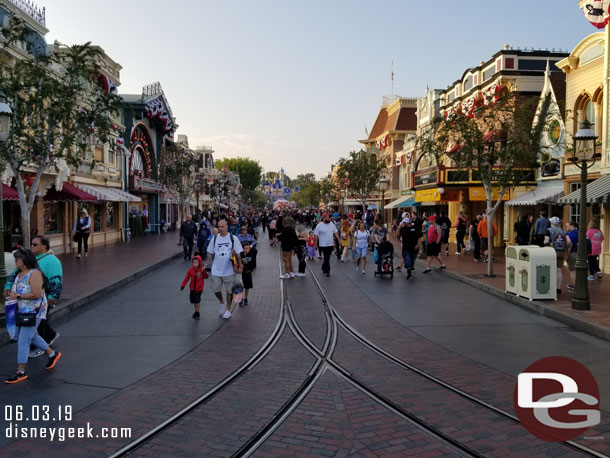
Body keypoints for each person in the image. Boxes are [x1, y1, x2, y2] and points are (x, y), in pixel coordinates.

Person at [5, 249, 61, 384]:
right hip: (23, 310)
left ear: (24, 261)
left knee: (24, 340)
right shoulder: (19, 274)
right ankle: (52, 354)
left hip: (35, 311)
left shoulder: (34, 274)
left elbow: (36, 294)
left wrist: (18, 296)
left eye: (17, 259)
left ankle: (21, 372)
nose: (15, 262)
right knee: (33, 336)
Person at [205, 220, 243, 319]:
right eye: (219, 227)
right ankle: (222, 302)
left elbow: (238, 254)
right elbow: (210, 253)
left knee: (229, 291)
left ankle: (228, 310)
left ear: (227, 227)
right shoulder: (215, 238)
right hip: (216, 269)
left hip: (229, 270)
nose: (220, 228)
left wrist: (240, 265)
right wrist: (205, 264)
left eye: (222, 226)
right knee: (215, 289)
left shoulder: (233, 238)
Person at [180, 255, 208, 320]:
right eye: (194, 262)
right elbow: (186, 278)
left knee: (197, 300)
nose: (195, 264)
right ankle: (196, 311)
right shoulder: (190, 270)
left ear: (199, 263)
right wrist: (183, 285)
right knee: (194, 301)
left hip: (199, 289)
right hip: (192, 289)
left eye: (196, 262)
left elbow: (206, 277)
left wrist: (204, 272)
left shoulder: (201, 270)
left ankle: (197, 313)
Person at [545, 217, 567, 295]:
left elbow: (546, 241)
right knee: (559, 270)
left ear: (553, 223)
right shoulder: (564, 231)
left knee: (552, 269)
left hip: (552, 251)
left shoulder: (549, 230)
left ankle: (552, 286)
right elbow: (566, 241)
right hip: (561, 251)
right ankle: (558, 288)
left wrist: (544, 243)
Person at [565, 220, 579, 293]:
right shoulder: (579, 232)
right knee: (577, 270)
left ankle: (574, 286)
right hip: (579, 253)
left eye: (567, 225)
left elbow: (569, 243)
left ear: (572, 226)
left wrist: (567, 254)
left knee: (572, 270)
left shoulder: (571, 234)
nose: (566, 227)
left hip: (573, 252)